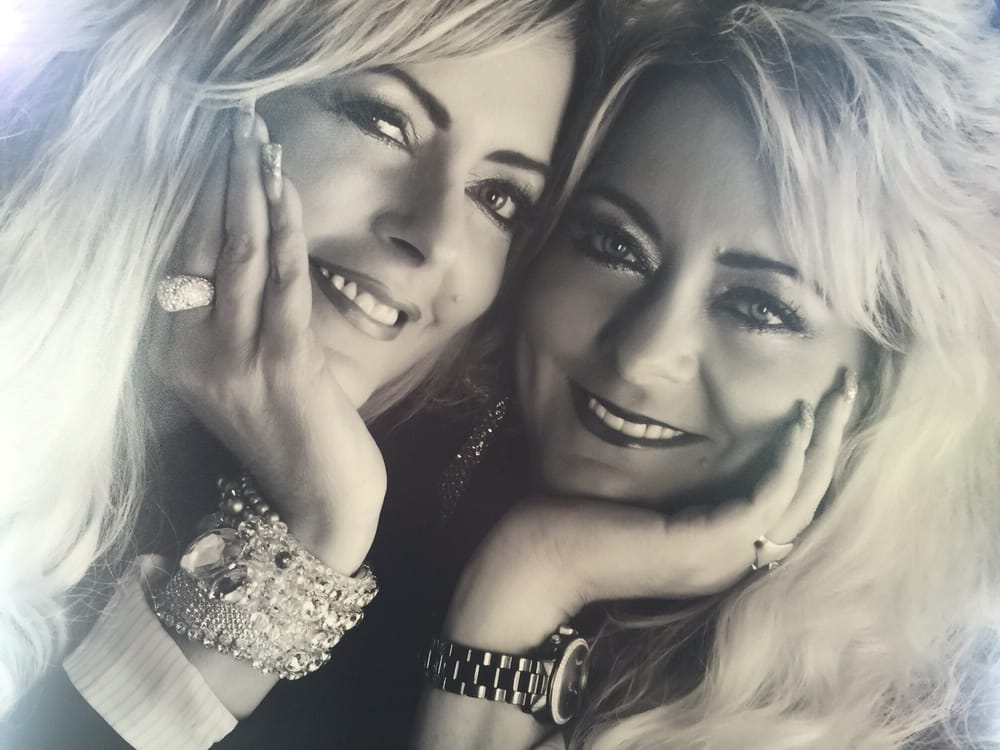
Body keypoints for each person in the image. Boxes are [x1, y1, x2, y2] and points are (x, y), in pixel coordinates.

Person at [412, 0, 1000, 747]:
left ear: (883, 385)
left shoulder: (898, 727)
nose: (644, 352)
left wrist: (535, 574)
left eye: (759, 307)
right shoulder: (391, 478)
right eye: (614, 246)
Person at [0, 0, 591, 734]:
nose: (435, 236)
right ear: (229, 85)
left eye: (497, 198)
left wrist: (320, 524)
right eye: (385, 122)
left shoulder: (391, 577)